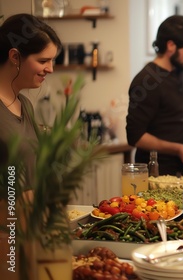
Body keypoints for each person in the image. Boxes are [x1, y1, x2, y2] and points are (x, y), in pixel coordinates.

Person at [0, 13, 62, 278]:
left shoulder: (24, 103)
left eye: (52, 61)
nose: (50, 69)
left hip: (29, 233)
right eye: (43, 60)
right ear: (15, 57)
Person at [126, 15, 183, 176]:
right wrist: (178, 148)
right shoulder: (146, 80)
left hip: (179, 170)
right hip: (155, 173)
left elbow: (168, 122)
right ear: (171, 45)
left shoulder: (179, 72)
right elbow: (135, 137)